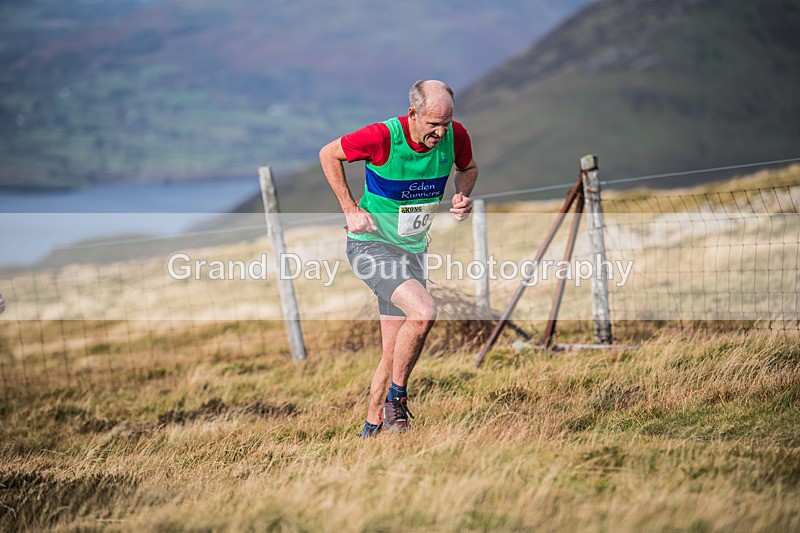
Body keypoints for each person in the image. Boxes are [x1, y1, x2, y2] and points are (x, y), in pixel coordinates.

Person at [319, 80, 479, 437]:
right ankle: (397, 399)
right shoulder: (381, 136)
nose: (441, 132)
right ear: (412, 114)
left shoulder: (456, 135)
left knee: (394, 352)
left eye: (447, 122)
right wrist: (349, 208)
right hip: (371, 246)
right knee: (423, 312)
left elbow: (468, 169)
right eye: (433, 123)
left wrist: (461, 197)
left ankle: (371, 432)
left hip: (412, 251)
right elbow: (328, 154)